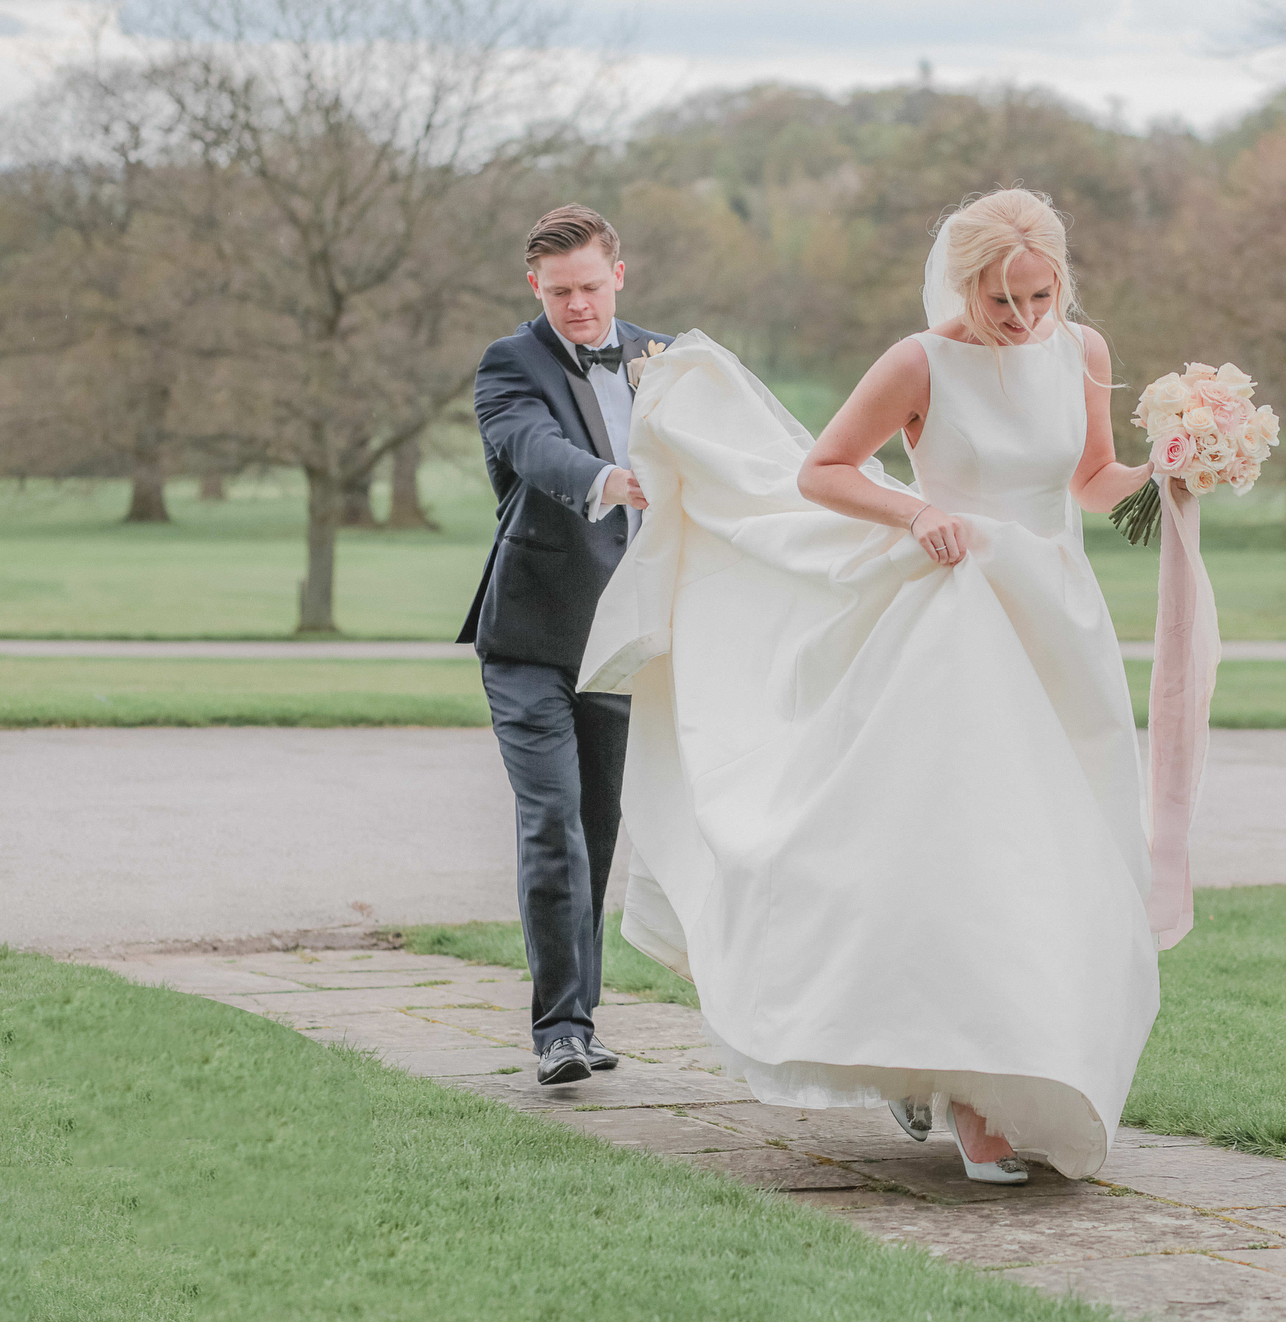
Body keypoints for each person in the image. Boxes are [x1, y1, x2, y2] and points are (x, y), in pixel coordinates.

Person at [578, 189, 1160, 1182]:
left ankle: (974, 1059)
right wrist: (910, 513)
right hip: (955, 611)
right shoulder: (918, 361)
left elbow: (1091, 478)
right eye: (998, 300)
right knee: (967, 850)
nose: (1020, 318)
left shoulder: (1085, 352)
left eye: (1035, 295)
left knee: (1062, 852)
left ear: (1057, 276)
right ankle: (974, 1100)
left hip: (1056, 615)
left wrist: (1174, 473)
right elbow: (823, 471)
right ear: (964, 283)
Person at [458, 204, 672, 1086]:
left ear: (617, 275)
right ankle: (557, 1030)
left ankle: (579, 1018)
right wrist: (605, 479)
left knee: (597, 827)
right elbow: (531, 446)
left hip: (621, 640)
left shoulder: (668, 360)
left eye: (589, 287)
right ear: (533, 287)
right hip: (530, 637)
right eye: (558, 292)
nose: (577, 306)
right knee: (551, 820)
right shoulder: (511, 364)